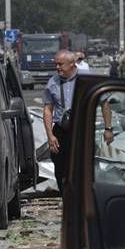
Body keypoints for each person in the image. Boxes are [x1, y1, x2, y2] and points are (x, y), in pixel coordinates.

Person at [42, 50, 115, 194]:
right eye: (56, 64)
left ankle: (82, 197)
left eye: (60, 64)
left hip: (82, 130)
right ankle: (66, 198)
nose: (57, 67)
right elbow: (47, 110)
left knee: (81, 166)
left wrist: (108, 128)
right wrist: (50, 135)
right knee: (60, 167)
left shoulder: (88, 79)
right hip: (61, 131)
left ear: (72, 64)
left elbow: (105, 104)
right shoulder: (53, 82)